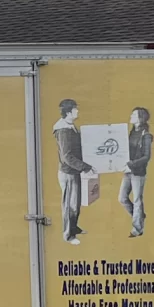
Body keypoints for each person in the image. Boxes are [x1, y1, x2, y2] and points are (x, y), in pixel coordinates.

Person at [53, 99, 87, 242]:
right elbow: (67, 156)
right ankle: (68, 235)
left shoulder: (70, 126)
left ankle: (73, 227)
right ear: (68, 112)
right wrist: (84, 166)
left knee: (75, 203)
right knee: (69, 205)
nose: (77, 111)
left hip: (74, 171)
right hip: (68, 173)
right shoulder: (63, 130)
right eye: (75, 109)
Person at [123, 105, 152, 237]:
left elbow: (146, 157)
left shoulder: (146, 136)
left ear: (141, 118)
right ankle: (139, 215)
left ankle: (137, 229)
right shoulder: (131, 132)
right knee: (122, 198)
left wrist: (132, 164)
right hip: (128, 170)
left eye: (134, 115)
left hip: (138, 172)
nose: (131, 117)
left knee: (137, 200)